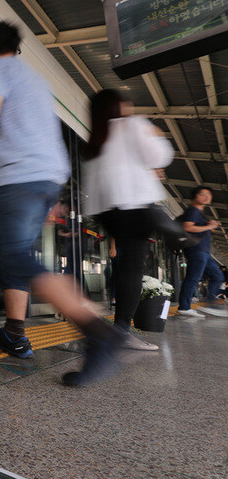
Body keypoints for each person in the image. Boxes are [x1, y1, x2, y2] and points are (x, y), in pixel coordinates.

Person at [0, 21, 124, 387]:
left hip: (21, 176)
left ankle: (97, 331)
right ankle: (14, 333)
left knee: (13, 257)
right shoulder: (37, 81)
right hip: (44, 176)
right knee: (15, 256)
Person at [83, 89, 174, 351]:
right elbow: (161, 156)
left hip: (107, 211)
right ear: (118, 106)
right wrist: (155, 134)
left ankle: (120, 327)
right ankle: (121, 330)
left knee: (127, 268)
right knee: (133, 269)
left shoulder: (96, 138)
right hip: (133, 206)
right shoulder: (131, 125)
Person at [177, 186, 227, 317]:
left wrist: (206, 223)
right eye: (203, 194)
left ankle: (210, 302)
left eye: (209, 194)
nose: (207, 196)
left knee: (218, 276)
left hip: (204, 252)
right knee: (193, 278)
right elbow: (187, 227)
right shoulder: (193, 210)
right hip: (196, 250)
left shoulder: (199, 213)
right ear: (195, 196)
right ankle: (184, 307)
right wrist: (209, 226)